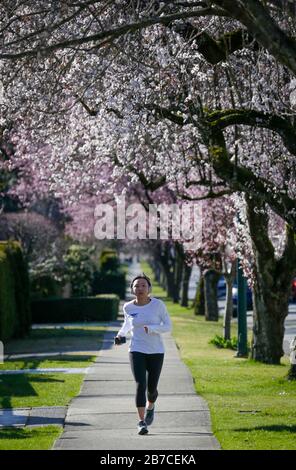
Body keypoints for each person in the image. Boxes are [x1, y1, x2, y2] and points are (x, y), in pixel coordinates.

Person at [115, 273, 172, 435]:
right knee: (140, 385)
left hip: (156, 351)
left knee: (151, 389)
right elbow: (127, 325)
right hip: (136, 349)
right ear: (132, 289)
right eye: (136, 286)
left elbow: (168, 326)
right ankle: (141, 422)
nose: (140, 288)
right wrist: (120, 335)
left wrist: (152, 329)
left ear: (149, 289)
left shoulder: (158, 305)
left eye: (143, 286)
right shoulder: (128, 307)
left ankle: (151, 405)